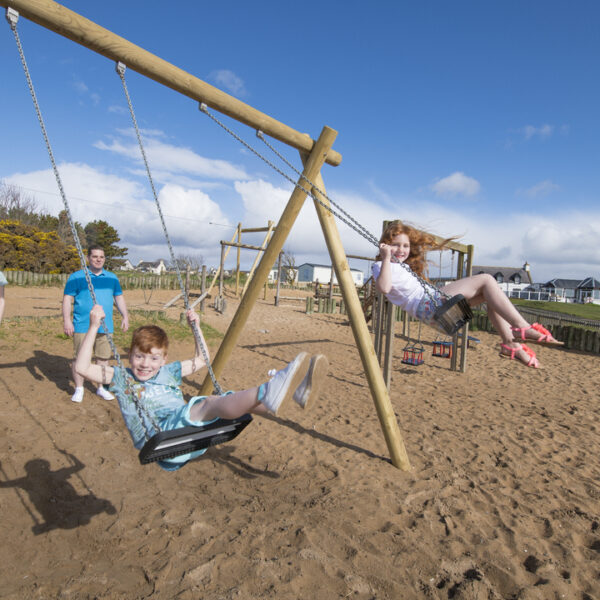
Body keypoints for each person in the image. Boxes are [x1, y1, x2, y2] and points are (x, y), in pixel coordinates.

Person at [76, 304, 329, 471]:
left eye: (154, 358)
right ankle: (270, 390)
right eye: (139, 357)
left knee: (226, 402)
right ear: (129, 355)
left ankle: (294, 392)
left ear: (164, 359)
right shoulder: (122, 377)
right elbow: (83, 368)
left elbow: (201, 360)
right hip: (160, 440)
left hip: (188, 436)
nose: (145, 364)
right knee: (207, 403)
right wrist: (94, 326)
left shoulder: (169, 371)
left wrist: (195, 327)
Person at [373, 221, 563, 369]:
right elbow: (384, 288)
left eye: (405, 246)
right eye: (396, 245)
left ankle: (511, 345)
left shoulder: (402, 266)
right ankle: (522, 327)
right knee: (487, 279)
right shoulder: (381, 266)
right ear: (385, 245)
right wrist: (386, 258)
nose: (402, 250)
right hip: (428, 306)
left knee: (490, 296)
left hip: (434, 309)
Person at [62, 245, 129, 403]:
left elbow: (118, 297)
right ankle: (79, 388)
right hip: (82, 324)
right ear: (88, 258)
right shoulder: (76, 277)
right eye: (95, 256)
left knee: (103, 358)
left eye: (101, 257)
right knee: (79, 357)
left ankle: (101, 387)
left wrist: (125, 315)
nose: (98, 259)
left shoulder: (112, 278)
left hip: (106, 326)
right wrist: (66, 320)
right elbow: (67, 299)